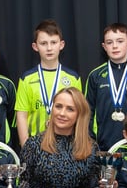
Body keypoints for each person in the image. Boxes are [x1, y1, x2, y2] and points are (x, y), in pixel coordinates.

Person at [15, 19, 82, 147]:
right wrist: (26, 147)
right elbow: (22, 116)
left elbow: (79, 114)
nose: (49, 48)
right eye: (43, 43)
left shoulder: (73, 78)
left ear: (61, 45)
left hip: (66, 144)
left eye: (53, 42)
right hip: (35, 144)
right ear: (35, 47)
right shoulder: (26, 78)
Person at [85, 23, 127, 151]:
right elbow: (88, 111)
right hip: (103, 145)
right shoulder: (95, 75)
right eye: (109, 42)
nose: (115, 46)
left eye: (120, 41)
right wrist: (91, 140)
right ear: (104, 47)